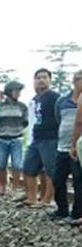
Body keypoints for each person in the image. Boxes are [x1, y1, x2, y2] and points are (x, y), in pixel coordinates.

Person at [23, 69, 60, 207]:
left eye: (44, 77)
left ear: (50, 80)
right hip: (36, 138)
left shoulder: (54, 97)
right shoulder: (35, 99)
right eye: (38, 77)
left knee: (50, 170)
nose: (41, 80)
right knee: (28, 168)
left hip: (50, 138)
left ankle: (46, 200)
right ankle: (32, 197)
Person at [52, 70, 82, 223]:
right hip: (62, 147)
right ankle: (61, 210)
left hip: (78, 149)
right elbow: (58, 119)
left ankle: (76, 214)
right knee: (58, 179)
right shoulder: (62, 101)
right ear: (73, 81)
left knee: (78, 181)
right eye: (77, 79)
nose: (79, 82)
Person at [0, 81, 29, 194]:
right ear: (9, 92)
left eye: (19, 91)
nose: (18, 93)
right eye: (16, 90)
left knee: (17, 165)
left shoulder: (22, 107)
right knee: (1, 165)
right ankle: (1, 187)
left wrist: (17, 129)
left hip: (16, 139)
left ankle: (14, 187)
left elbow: (26, 121)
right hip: (1, 140)